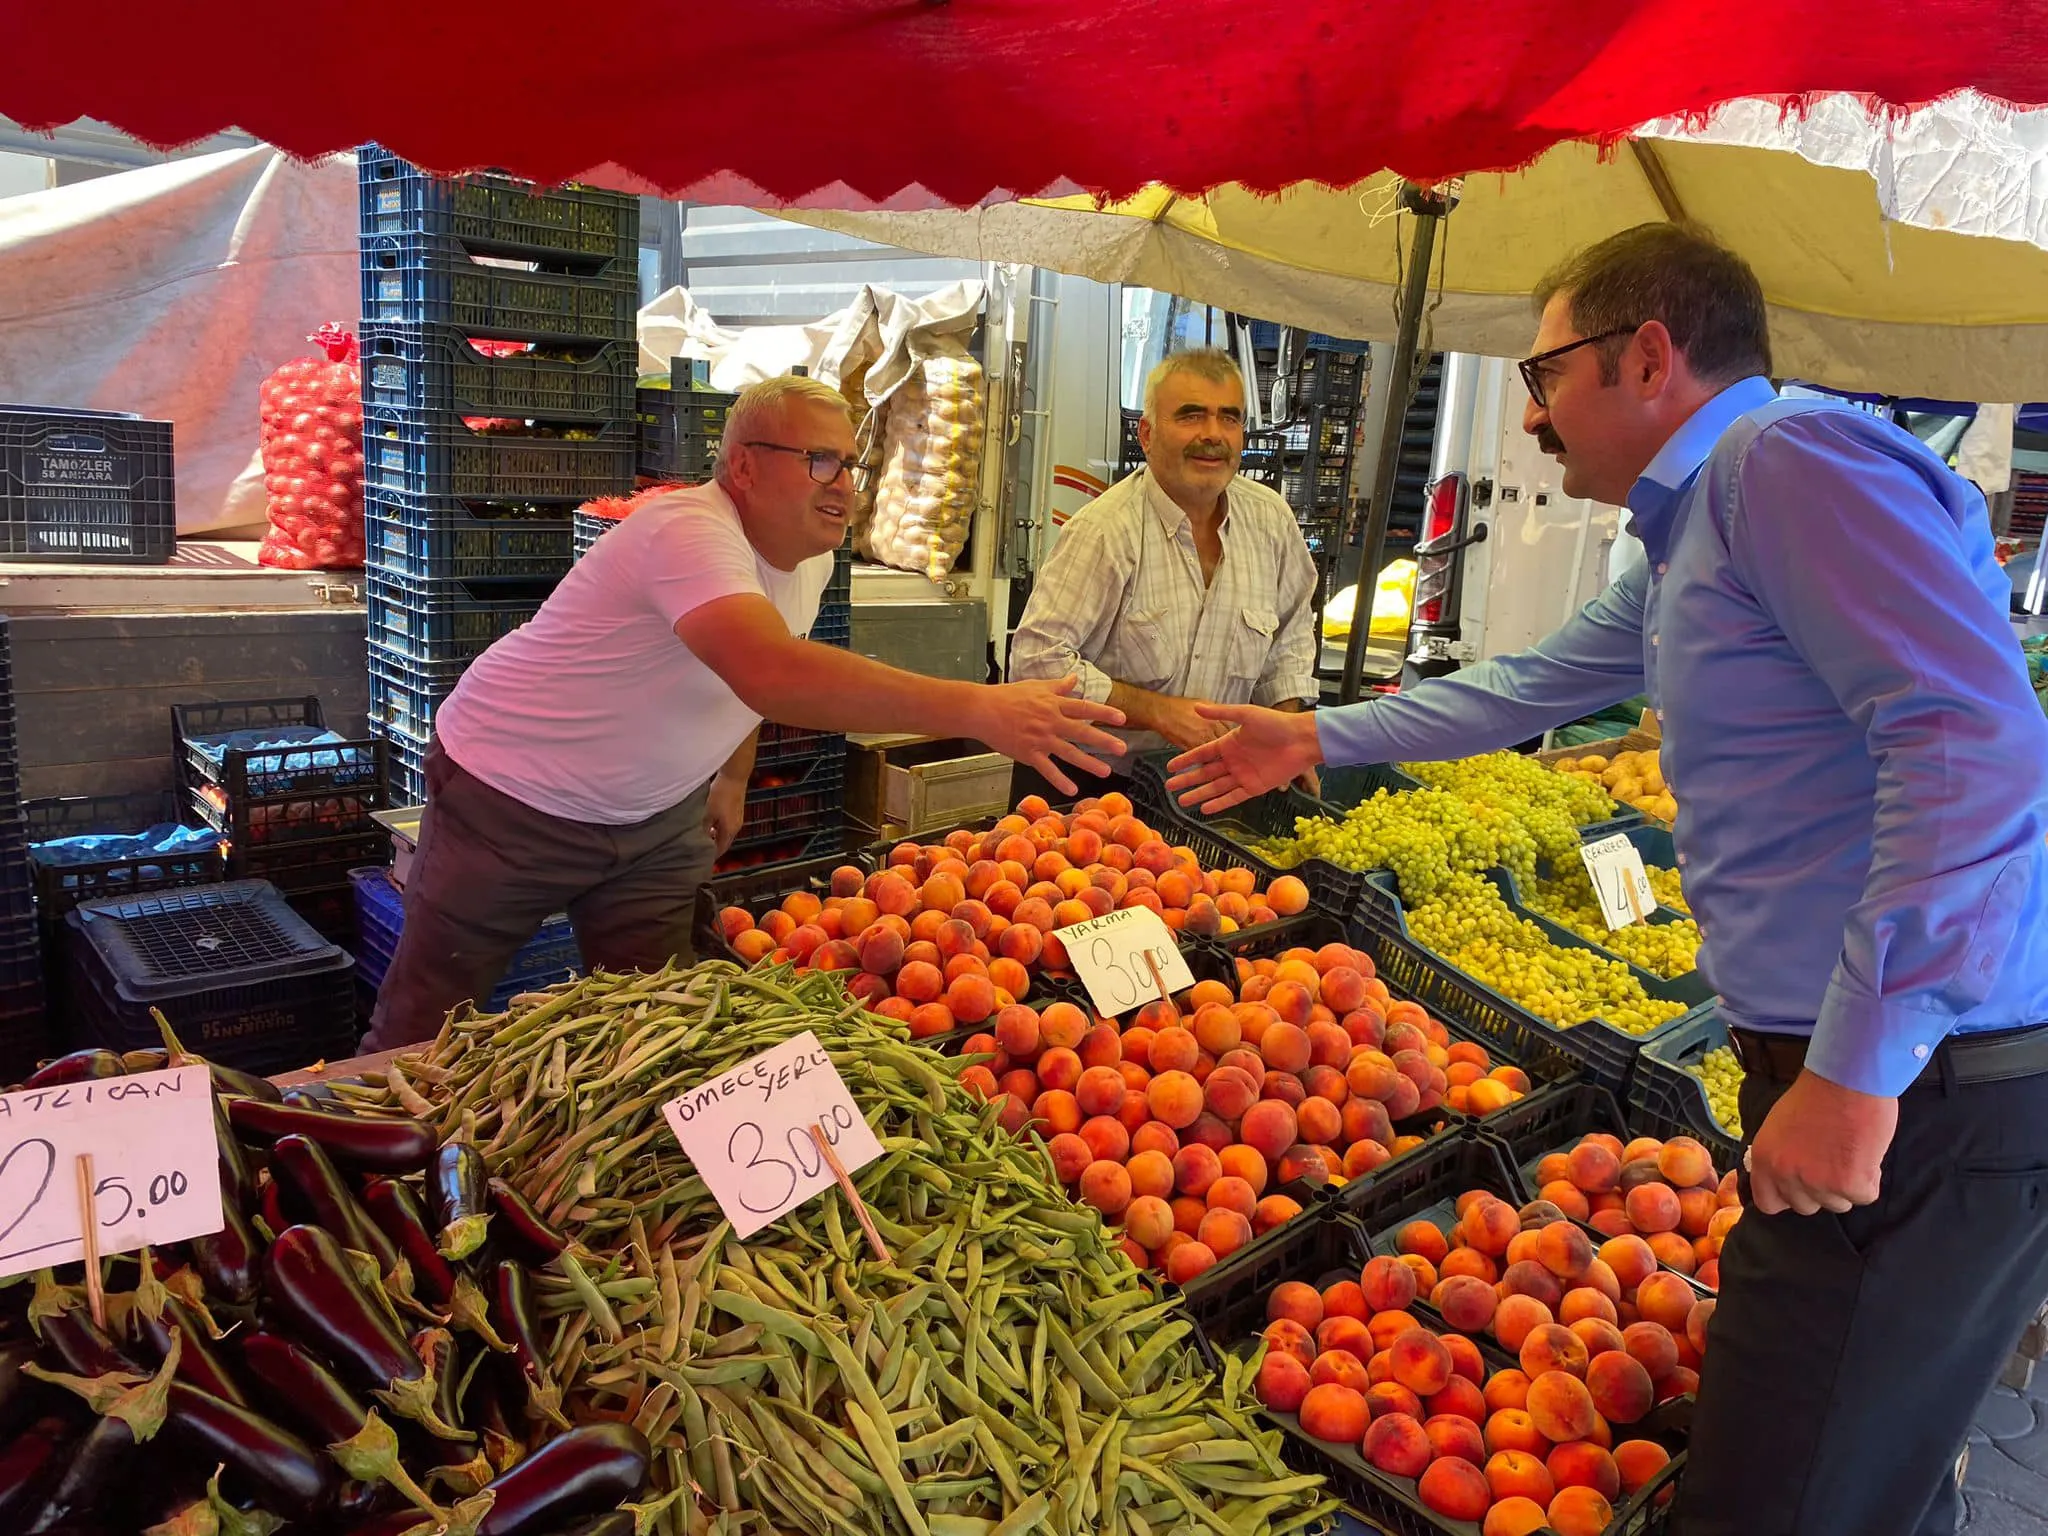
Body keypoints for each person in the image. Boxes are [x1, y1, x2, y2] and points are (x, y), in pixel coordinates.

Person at [1166, 224, 2048, 1536]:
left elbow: (1972, 744)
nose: (1526, 415)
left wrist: (1858, 1072)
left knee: (1781, 1499)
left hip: (1919, 1085)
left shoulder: (1784, 463)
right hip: (1876, 1074)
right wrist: (1314, 738)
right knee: (1852, 1472)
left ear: (1649, 355)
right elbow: (1532, 687)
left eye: (1545, 374)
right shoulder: (1701, 524)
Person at [365, 375, 1124, 1050]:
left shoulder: (812, 557)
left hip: (655, 818)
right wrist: (978, 707)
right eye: (819, 460)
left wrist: (731, 776)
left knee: (655, 1029)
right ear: (743, 466)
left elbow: (755, 669)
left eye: (851, 464)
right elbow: (769, 670)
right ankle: (365, 1161)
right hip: (511, 798)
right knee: (426, 1023)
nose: (845, 485)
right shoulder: (686, 532)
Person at [1005, 346, 1319, 804]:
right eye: (1191, 416)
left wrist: (1286, 730)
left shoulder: (1270, 521)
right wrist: (1157, 712)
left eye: (1228, 418)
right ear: (1148, 434)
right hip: (1092, 786)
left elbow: (1290, 638)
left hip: (1213, 785)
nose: (1213, 435)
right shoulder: (1106, 531)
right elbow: (1035, 662)